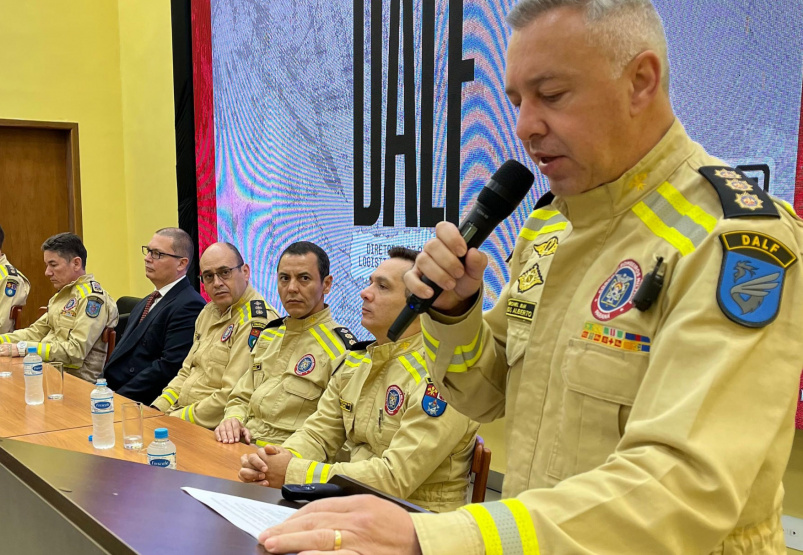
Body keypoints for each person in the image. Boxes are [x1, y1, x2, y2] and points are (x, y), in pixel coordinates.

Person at [258, 1, 803, 554]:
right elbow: (485, 394)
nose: (523, 127)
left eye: (553, 95)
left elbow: (683, 489)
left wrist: (439, 539)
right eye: (517, 101)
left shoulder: (732, 239)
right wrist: (454, 312)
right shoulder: (549, 228)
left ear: (641, 81)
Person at [238, 247, 479, 513]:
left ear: (420, 303)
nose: (365, 293)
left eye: (383, 286)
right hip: (353, 506)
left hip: (417, 521)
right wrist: (275, 459)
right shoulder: (356, 361)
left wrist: (294, 472)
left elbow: (394, 478)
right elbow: (318, 435)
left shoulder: (445, 376)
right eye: (370, 283)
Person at [215, 241, 357, 446]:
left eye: (304, 278)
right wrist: (232, 420)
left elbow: (335, 433)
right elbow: (240, 396)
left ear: (326, 284)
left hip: (285, 459)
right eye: (284, 278)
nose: (291, 288)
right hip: (239, 446)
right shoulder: (269, 335)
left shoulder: (341, 351)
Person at [153, 242, 279, 429]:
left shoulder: (256, 322)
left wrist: (174, 419)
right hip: (182, 418)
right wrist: (158, 408)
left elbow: (230, 395)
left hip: (216, 429)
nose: (217, 283)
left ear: (245, 272)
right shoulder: (209, 311)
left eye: (224, 272)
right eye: (209, 276)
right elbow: (187, 371)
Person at [0, 233, 118, 382]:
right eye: (47, 265)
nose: (47, 272)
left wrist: (22, 349)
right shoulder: (64, 294)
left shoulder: (92, 299)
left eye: (53, 265)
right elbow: (35, 333)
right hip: (48, 372)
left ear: (76, 263)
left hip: (74, 383)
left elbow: (75, 351)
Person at [101, 228, 206, 404]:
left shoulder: (189, 305)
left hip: (143, 403)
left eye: (157, 254)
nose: (147, 258)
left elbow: (168, 368)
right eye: (148, 251)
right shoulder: (148, 300)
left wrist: (118, 398)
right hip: (114, 391)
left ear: (181, 264)